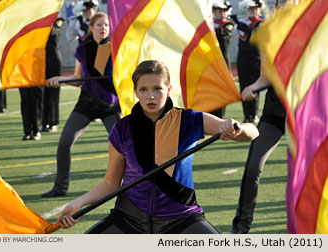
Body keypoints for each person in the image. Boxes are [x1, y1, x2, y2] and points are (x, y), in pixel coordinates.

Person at [56, 60, 259, 234]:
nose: (150, 96)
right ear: (135, 92)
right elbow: (110, 183)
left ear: (168, 90)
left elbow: (253, 133)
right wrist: (78, 203)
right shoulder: (122, 129)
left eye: (157, 89)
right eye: (143, 90)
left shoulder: (188, 120)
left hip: (182, 218)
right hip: (129, 219)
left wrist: (238, 129)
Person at [42, 13, 121, 198]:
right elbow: (78, 79)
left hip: (110, 105)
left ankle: (125, 186)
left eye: (107, 26)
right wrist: (60, 79)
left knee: (123, 147)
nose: (103, 28)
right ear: (91, 27)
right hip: (85, 104)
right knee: (64, 143)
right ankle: (60, 187)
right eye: (99, 25)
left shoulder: (116, 48)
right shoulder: (82, 50)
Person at [230, 0, 289, 234]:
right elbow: (266, 76)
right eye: (281, 2)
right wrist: (253, 87)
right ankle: (240, 230)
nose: (287, 5)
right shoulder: (269, 35)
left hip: (306, 118)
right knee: (254, 166)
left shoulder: (317, 33)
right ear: (275, 7)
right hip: (274, 114)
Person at [234, 0, 265, 123]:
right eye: (251, 9)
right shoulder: (241, 22)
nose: (254, 11)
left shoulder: (263, 23)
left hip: (257, 58)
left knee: (254, 86)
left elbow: (255, 34)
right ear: (247, 10)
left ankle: (255, 113)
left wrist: (241, 25)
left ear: (259, 9)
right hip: (243, 59)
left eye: (256, 9)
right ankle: (247, 115)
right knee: (244, 86)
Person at [210, 0, 234, 118]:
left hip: (223, 61)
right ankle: (211, 116)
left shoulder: (228, 24)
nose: (222, 14)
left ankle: (220, 117)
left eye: (224, 12)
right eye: (219, 12)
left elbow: (222, 35)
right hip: (211, 62)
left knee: (221, 90)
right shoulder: (211, 24)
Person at [42, 17, 65, 133]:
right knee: (44, 91)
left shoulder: (58, 20)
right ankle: (43, 121)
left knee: (54, 91)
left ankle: (53, 122)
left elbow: (54, 32)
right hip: (42, 58)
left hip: (54, 58)